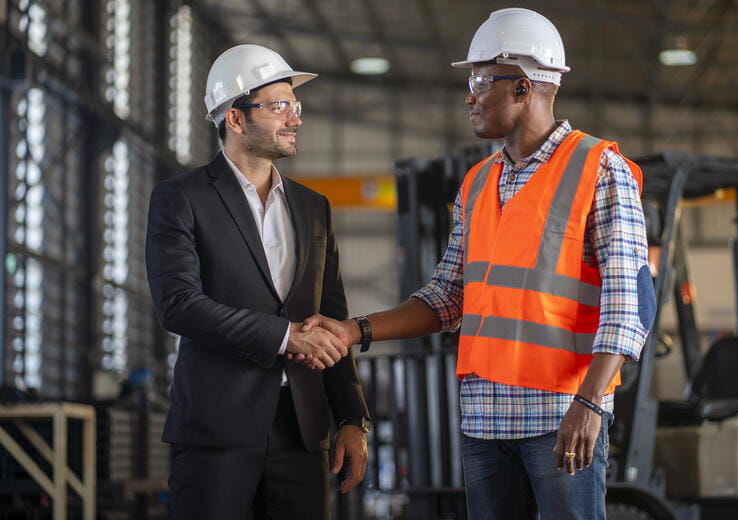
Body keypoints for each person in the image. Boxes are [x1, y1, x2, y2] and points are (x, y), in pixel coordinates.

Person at [300, 7, 656, 520]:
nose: (469, 95)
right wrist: (352, 331)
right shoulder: (476, 182)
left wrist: (592, 403)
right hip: (484, 424)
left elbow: (628, 305)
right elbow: (447, 298)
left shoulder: (600, 169)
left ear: (523, 88)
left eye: (481, 80)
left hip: (560, 418)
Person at [145, 44, 371, 520]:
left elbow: (333, 317)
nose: (295, 118)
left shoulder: (314, 208)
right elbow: (179, 304)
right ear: (235, 119)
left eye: (296, 106)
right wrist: (287, 337)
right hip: (216, 432)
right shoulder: (181, 198)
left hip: (302, 431)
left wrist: (352, 418)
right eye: (279, 106)